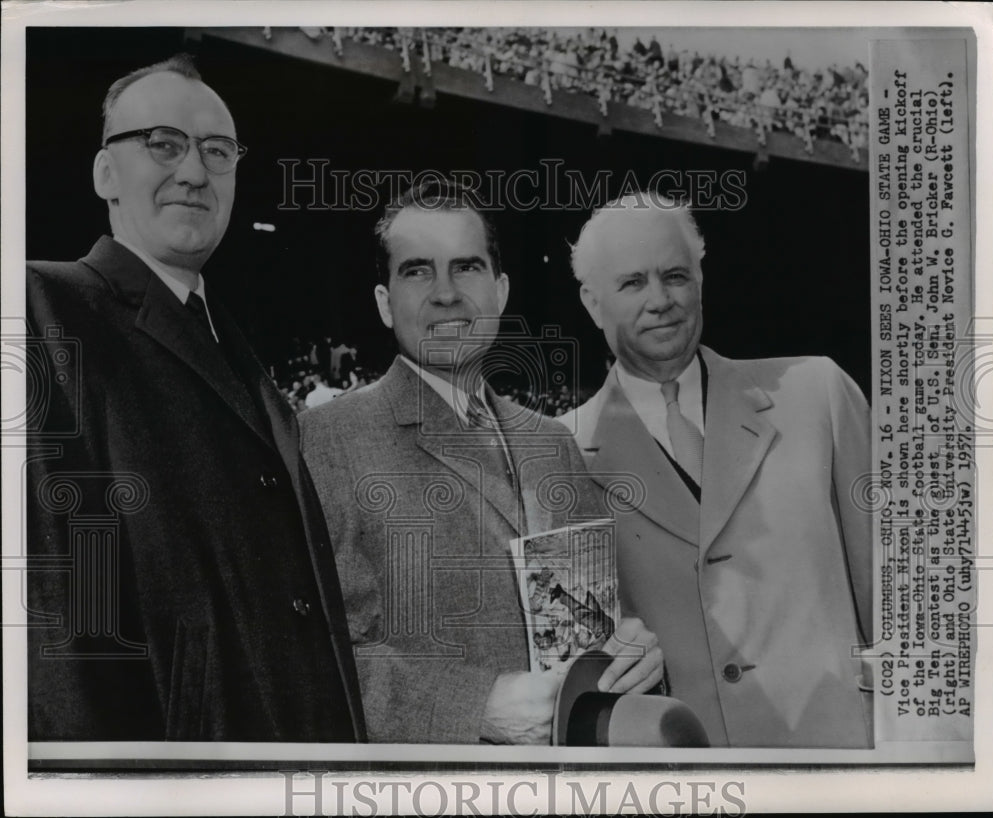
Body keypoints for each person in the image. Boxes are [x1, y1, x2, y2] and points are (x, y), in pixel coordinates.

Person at [25, 54, 365, 742]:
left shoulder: (233, 349)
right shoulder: (43, 304)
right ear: (105, 174)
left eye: (217, 151)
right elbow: (58, 598)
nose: (193, 171)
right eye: (163, 143)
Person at [301, 181, 664, 743]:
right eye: (418, 271)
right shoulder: (327, 440)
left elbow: (587, 627)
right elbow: (313, 656)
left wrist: (630, 653)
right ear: (383, 302)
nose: (446, 294)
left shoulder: (553, 443)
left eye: (466, 268)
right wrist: (477, 707)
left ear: (500, 290)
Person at [558, 192, 873, 748]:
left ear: (700, 279)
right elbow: (573, 658)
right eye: (632, 283)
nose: (660, 300)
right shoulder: (559, 450)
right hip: (690, 778)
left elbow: (903, 604)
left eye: (675, 275)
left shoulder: (818, 392)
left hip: (840, 760)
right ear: (592, 301)